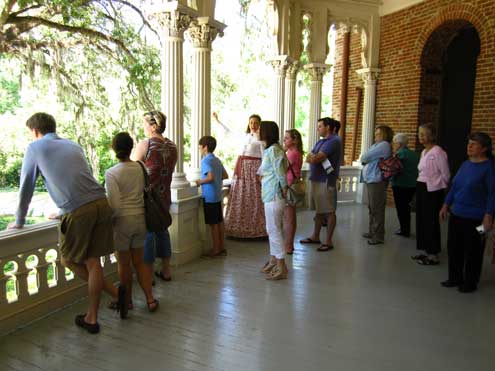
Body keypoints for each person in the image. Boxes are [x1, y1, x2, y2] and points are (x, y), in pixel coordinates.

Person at [8, 112, 118, 334]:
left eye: (30, 133)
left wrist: (19, 221)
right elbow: (76, 179)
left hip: (80, 211)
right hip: (100, 202)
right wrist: (62, 209)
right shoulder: (72, 145)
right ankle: (111, 301)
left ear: (35, 131)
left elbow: (26, 188)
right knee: (93, 262)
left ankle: (97, 314)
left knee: (68, 260)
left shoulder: (34, 148)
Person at [105, 132, 159, 314]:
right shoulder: (140, 167)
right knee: (140, 262)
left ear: (114, 149)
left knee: (124, 264)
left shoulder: (112, 173)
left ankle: (126, 301)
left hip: (122, 222)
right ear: (131, 147)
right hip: (140, 218)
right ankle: (150, 300)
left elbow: (114, 204)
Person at [439, 132, 495, 292]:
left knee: (473, 250)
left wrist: (489, 216)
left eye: (474, 144)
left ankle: (470, 282)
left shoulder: (489, 168)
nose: (469, 146)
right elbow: (455, 186)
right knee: (454, 247)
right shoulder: (465, 164)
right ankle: (454, 277)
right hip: (457, 213)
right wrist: (445, 205)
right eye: (469, 143)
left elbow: (492, 194)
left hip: (477, 218)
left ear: (484, 148)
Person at [131, 111, 177, 282]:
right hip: (165, 196)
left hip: (148, 198)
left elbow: (134, 170)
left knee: (148, 234)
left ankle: (148, 275)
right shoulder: (173, 146)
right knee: (163, 232)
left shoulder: (146, 145)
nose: (143, 127)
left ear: (152, 126)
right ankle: (166, 270)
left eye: (144, 123)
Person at [300, 117, 342, 251]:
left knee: (329, 211)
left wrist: (313, 157)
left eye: (320, 126)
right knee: (318, 211)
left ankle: (328, 241)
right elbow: (309, 156)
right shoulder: (321, 141)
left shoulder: (334, 141)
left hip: (326, 180)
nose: (317, 128)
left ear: (328, 127)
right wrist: (313, 157)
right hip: (317, 178)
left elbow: (318, 157)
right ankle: (315, 236)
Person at [224, 114, 267, 238]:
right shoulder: (245, 136)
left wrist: (261, 172)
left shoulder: (261, 139)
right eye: (251, 122)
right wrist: (218, 121)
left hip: (254, 169)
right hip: (241, 168)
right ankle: (237, 228)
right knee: (240, 195)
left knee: (253, 196)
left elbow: (264, 157)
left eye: (255, 123)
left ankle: (257, 229)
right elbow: (229, 133)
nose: (253, 125)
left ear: (259, 124)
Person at [413, 124, 450, 265]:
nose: (421, 136)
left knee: (431, 221)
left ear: (432, 136)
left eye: (424, 134)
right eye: (419, 133)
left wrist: (438, 186)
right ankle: (424, 250)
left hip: (433, 190)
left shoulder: (438, 152)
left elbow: (446, 174)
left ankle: (433, 254)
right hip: (422, 186)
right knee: (421, 220)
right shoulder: (423, 152)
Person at [258, 121, 289, 280]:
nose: (257, 131)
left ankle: (281, 266)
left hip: (274, 195)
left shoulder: (274, 150)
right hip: (270, 194)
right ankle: (274, 260)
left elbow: (280, 173)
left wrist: (283, 189)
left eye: (260, 129)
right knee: (272, 229)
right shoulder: (271, 149)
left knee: (274, 230)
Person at [195, 136, 229, 257]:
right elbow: (225, 175)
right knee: (219, 222)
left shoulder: (205, 161)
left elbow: (210, 177)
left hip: (209, 196)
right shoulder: (217, 160)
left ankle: (216, 249)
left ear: (205, 147)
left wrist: (199, 182)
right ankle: (221, 246)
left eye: (200, 146)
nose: (199, 149)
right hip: (217, 195)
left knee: (213, 224)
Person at [361, 125, 393, 245]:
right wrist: (366, 158)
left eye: (379, 133)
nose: (376, 135)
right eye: (376, 133)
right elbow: (364, 158)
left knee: (377, 209)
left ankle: (378, 236)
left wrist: (366, 158)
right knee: (372, 207)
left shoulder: (384, 145)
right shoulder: (376, 145)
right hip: (371, 179)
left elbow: (365, 157)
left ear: (384, 135)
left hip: (377, 180)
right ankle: (372, 231)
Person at [391, 133, 419, 237]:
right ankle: (405, 229)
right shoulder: (414, 154)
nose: (393, 145)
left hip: (400, 185)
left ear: (399, 143)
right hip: (412, 185)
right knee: (406, 207)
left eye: (394, 142)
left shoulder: (400, 154)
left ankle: (404, 230)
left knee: (401, 208)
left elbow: (393, 169)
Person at [283, 129, 303, 254]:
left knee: (289, 217)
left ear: (294, 140)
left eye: (287, 138)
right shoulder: (295, 152)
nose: (284, 140)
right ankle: (289, 244)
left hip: (289, 186)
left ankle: (288, 245)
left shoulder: (292, 154)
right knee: (290, 216)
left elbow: (282, 168)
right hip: (292, 184)